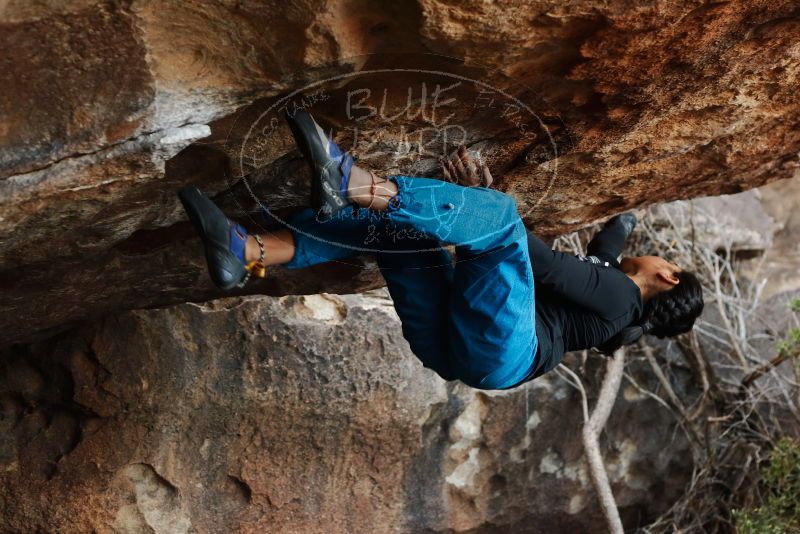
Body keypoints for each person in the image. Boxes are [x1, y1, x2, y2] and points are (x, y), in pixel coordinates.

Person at [178, 109, 704, 390]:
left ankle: (354, 182)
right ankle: (249, 252)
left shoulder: (618, 297)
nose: (651, 255)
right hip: (462, 355)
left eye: (664, 261)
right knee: (401, 237)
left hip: (506, 350)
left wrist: (483, 201)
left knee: (500, 219)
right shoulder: (617, 300)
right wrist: (625, 218)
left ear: (669, 277)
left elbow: (540, 261)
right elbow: (606, 251)